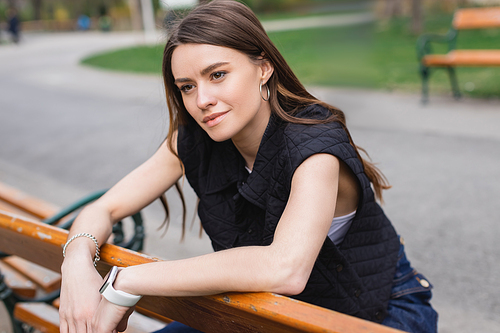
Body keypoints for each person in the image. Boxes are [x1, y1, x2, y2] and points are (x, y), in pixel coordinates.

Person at [59, 1, 438, 332]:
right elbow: (105, 208)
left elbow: (285, 268)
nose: (202, 99)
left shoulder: (316, 145)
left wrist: (128, 280)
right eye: (186, 86)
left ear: (264, 68)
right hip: (269, 312)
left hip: (375, 311)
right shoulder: (194, 139)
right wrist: (76, 263)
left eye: (217, 75)